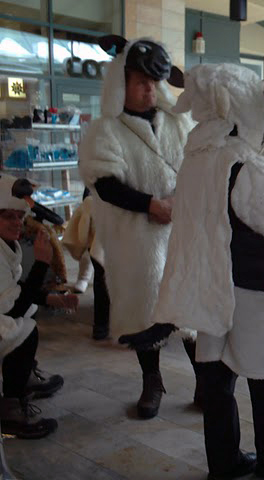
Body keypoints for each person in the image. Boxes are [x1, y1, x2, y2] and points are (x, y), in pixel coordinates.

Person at [149, 64, 264, 480]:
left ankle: (223, 462)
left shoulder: (194, 158)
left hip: (209, 280)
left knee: (216, 376)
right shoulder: (243, 162)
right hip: (251, 284)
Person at [79, 35, 199, 419]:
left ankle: (207, 383)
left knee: (191, 311)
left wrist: (180, 200)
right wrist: (150, 204)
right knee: (144, 311)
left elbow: (198, 165)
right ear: (123, 83)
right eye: (141, 83)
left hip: (182, 230)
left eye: (153, 83)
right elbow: (104, 182)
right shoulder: (105, 130)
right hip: (137, 238)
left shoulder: (178, 121)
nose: (149, 90)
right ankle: (152, 382)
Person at [0, 175, 78, 439]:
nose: (16, 222)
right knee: (21, 329)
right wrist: (42, 263)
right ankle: (9, 409)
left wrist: (54, 299)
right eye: (7, 217)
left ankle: (23, 379)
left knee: (28, 316)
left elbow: (16, 288)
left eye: (19, 216)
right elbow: (12, 309)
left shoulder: (7, 244)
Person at [62, 194, 110, 340]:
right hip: (111, 241)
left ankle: (101, 325)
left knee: (101, 279)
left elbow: (81, 236)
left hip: (99, 243)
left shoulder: (91, 201)